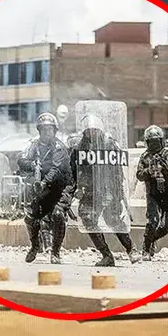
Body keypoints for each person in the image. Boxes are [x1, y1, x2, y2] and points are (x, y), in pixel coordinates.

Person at [63, 115, 140, 267]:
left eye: (95, 130)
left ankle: (131, 249)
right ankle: (106, 255)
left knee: (113, 219)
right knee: (87, 219)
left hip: (108, 189)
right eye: (89, 130)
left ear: (100, 130)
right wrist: (70, 193)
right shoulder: (79, 148)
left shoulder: (110, 145)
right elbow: (72, 172)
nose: (92, 133)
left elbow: (118, 171)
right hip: (89, 191)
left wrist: (118, 191)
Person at [18, 113, 71, 264]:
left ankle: (55, 252)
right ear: (39, 131)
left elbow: (56, 169)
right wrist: (32, 165)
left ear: (55, 131)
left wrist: (43, 183)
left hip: (59, 187)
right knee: (30, 218)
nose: (47, 133)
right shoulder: (34, 145)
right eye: (44, 130)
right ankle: (35, 246)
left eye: (50, 130)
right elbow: (21, 160)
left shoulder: (59, 147)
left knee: (58, 215)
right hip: (41, 188)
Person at [137, 125, 168, 261]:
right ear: (147, 142)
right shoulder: (144, 156)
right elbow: (139, 175)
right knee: (153, 221)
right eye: (152, 142)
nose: (154, 144)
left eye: (157, 141)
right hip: (153, 195)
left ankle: (151, 240)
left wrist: (161, 164)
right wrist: (149, 171)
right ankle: (145, 248)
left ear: (161, 141)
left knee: (167, 226)